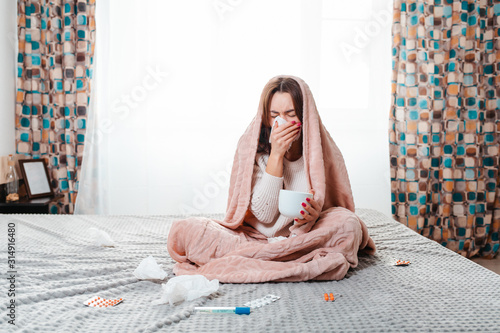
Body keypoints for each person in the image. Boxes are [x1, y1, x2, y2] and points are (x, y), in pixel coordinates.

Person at [167, 75, 375, 283]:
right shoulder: (254, 151)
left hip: (301, 238)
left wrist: (313, 215)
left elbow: (333, 209)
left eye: (290, 114)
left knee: (348, 223)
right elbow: (264, 215)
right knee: (187, 230)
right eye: (274, 115)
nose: (281, 122)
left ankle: (265, 259)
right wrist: (276, 154)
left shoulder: (322, 154)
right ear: (266, 118)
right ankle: (283, 257)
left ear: (305, 116)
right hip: (253, 239)